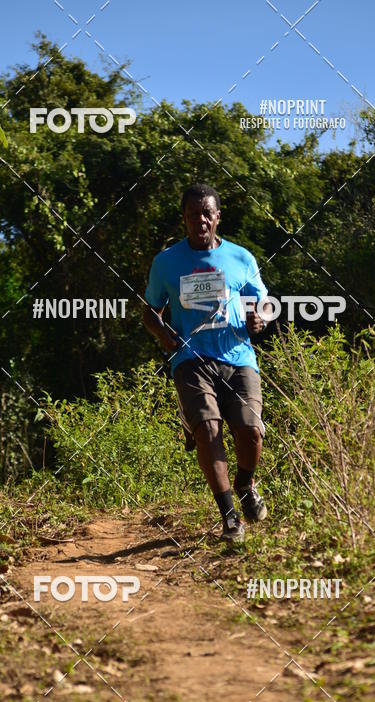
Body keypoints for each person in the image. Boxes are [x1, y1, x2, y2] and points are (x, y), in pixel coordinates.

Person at [143, 183, 268, 542]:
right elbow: (150, 311)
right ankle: (230, 517)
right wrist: (163, 333)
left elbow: (263, 302)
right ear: (184, 219)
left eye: (206, 213)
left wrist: (258, 318)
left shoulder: (241, 258)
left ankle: (245, 485)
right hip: (190, 360)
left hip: (238, 357)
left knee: (250, 430)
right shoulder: (166, 262)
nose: (200, 220)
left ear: (217, 217)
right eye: (192, 214)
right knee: (209, 431)